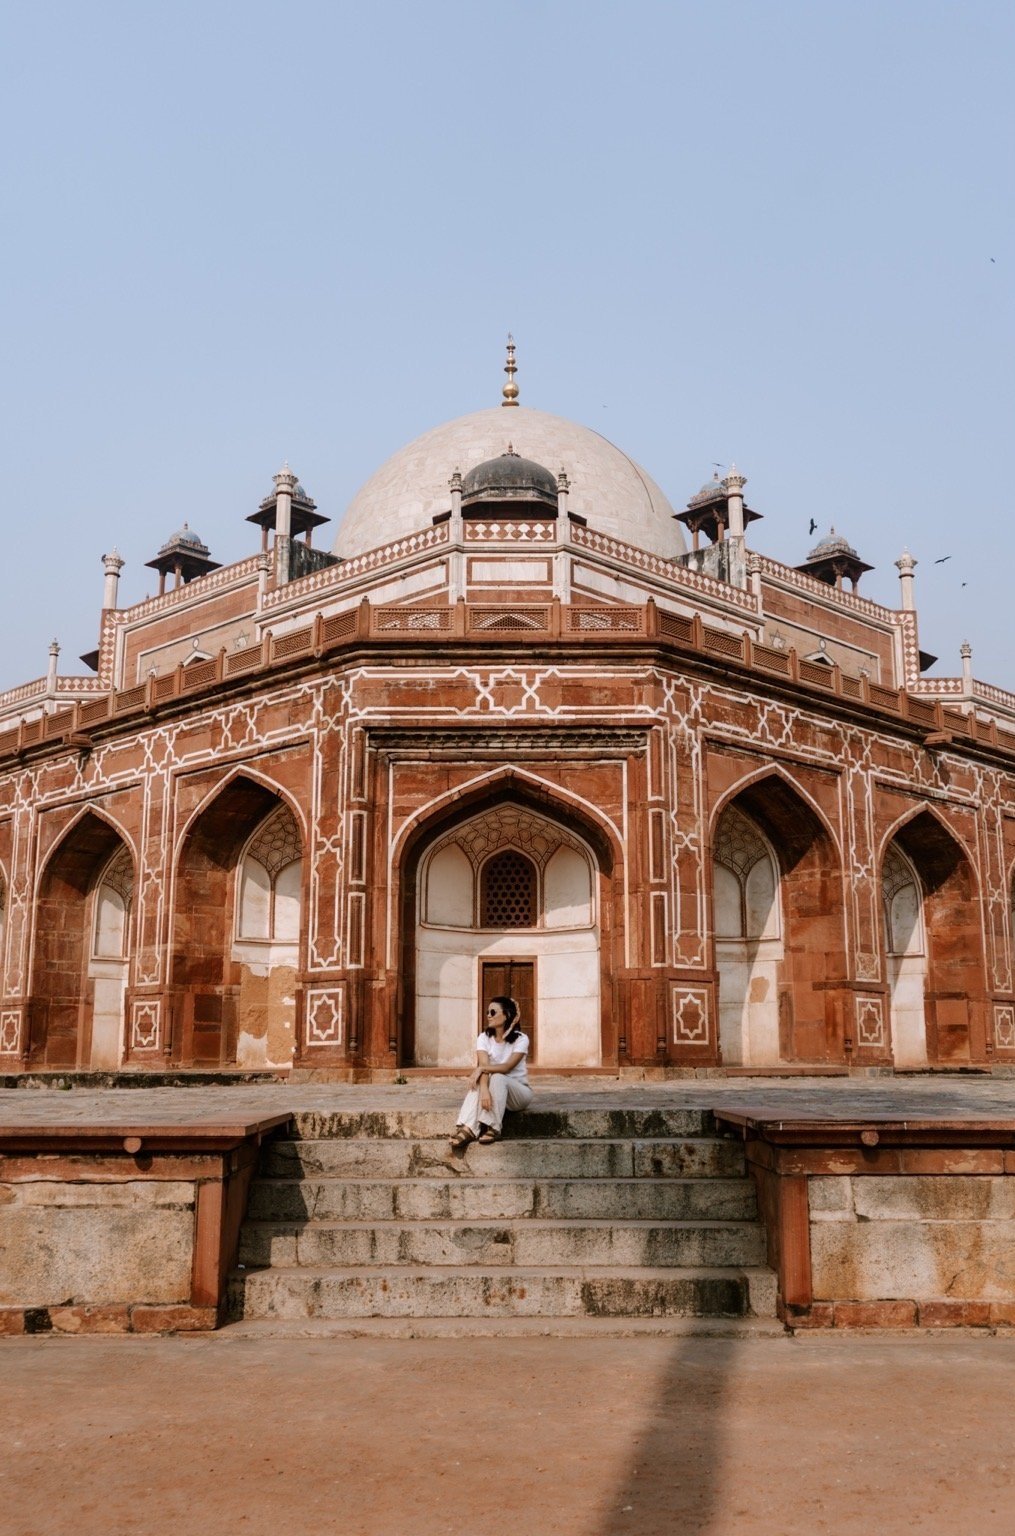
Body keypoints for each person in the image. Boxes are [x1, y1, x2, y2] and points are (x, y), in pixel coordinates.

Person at [450, 995, 533, 1147]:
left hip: (518, 1093)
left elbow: (507, 1067)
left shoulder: (521, 1039)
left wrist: (482, 1068)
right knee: (481, 1082)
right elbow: (484, 1066)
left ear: (507, 1015)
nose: (488, 1015)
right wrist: (484, 1090)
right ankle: (469, 1128)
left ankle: (494, 1127)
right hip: (495, 1090)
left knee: (498, 1077)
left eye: (493, 1012)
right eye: (488, 1012)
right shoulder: (483, 1037)